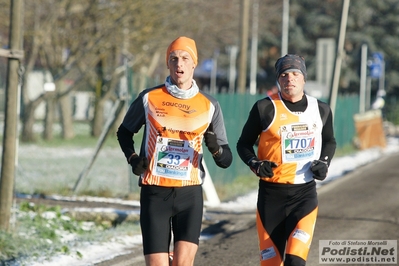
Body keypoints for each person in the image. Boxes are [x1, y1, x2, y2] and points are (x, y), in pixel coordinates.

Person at [117, 36, 232, 266]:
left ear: (194, 64)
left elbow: (226, 160)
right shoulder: (149, 98)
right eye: (173, 59)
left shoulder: (209, 105)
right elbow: (123, 132)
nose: (179, 64)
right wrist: (133, 158)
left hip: (189, 195)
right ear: (168, 64)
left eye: (185, 58)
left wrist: (215, 148)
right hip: (155, 193)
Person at [236, 54, 336, 266]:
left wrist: (324, 162)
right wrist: (255, 164)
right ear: (278, 80)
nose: (289, 78)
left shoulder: (321, 109)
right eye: (283, 75)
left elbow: (329, 141)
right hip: (270, 198)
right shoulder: (264, 108)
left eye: (295, 73)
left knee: (295, 261)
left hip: (304, 196)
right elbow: (243, 144)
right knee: (271, 263)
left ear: (304, 79)